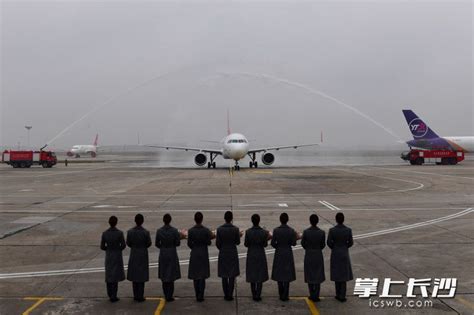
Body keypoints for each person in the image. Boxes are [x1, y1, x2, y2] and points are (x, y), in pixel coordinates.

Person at [327, 212, 353, 302]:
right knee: (344, 274)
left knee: (336, 273)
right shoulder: (348, 230)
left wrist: (335, 247)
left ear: (336, 220)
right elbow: (351, 243)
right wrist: (344, 247)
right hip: (344, 252)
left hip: (335, 252)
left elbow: (329, 243)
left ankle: (337, 294)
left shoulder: (332, 230)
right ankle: (342, 295)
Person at [271, 212, 297, 301]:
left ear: (280, 220)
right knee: (287, 274)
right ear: (287, 220)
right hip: (288, 252)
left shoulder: (276, 230)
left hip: (279, 252)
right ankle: (285, 295)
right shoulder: (291, 230)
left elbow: (273, 243)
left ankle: (281, 293)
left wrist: (279, 246)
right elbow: (294, 243)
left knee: (279, 273)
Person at [187, 211, 213, 302]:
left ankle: (197, 294)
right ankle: (201, 295)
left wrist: (194, 247)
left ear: (195, 220)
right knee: (202, 275)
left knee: (195, 275)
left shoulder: (191, 231)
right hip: (203, 253)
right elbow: (209, 242)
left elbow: (189, 244)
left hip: (194, 253)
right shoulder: (206, 230)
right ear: (201, 219)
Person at [155, 213, 181, 302]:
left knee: (164, 274)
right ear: (170, 220)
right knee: (171, 274)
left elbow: (157, 243)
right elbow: (178, 243)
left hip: (163, 252)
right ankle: (170, 295)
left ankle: (166, 294)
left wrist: (163, 247)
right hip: (172, 252)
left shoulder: (159, 231)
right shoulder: (174, 231)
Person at [126, 213, 152, 302]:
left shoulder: (130, 232)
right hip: (142, 254)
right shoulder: (145, 232)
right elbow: (149, 243)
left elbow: (128, 243)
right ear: (142, 221)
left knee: (134, 275)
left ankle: (135, 295)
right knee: (141, 275)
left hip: (134, 253)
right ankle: (140, 295)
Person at [100, 215, 126, 302]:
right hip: (117, 255)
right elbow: (123, 245)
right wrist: (117, 249)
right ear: (116, 223)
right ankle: (114, 295)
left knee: (109, 275)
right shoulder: (119, 233)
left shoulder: (105, 233)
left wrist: (109, 249)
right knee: (115, 276)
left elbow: (102, 246)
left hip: (109, 255)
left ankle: (109, 293)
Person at [216, 211, 241, 301]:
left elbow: (218, 244)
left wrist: (223, 249)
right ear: (231, 218)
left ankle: (226, 294)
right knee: (232, 274)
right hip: (232, 252)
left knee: (224, 274)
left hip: (223, 252)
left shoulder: (219, 229)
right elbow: (237, 242)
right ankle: (230, 294)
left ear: (224, 218)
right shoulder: (235, 229)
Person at [244, 213, 269, 301]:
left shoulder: (248, 232)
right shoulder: (263, 232)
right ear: (259, 221)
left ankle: (254, 294)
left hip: (251, 254)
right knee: (260, 274)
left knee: (252, 274)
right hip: (260, 253)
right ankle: (258, 294)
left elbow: (246, 244)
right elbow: (265, 244)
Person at [301, 214, 326, 302]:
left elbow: (303, 244)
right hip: (318, 254)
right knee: (318, 274)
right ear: (317, 221)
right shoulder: (322, 232)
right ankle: (316, 295)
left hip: (309, 254)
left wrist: (309, 249)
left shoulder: (306, 232)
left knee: (310, 274)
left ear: (310, 221)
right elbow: (323, 245)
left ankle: (312, 294)